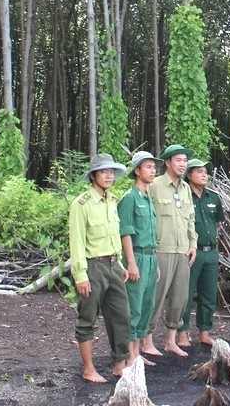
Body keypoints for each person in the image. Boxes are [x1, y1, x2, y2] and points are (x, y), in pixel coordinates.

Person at [69, 153, 132, 383]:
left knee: (121, 316)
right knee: (87, 318)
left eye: (111, 171)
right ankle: (88, 369)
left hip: (113, 266)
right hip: (92, 267)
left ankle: (119, 364)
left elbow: (114, 235)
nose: (109, 175)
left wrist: (121, 264)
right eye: (104, 171)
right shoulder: (82, 203)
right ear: (93, 175)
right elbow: (76, 242)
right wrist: (80, 275)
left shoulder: (112, 201)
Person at [149, 144, 197, 357]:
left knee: (180, 298)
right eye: (178, 160)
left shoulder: (186, 188)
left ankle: (170, 340)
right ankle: (146, 341)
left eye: (185, 161)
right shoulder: (155, 185)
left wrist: (193, 243)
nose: (183, 164)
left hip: (183, 251)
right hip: (161, 249)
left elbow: (190, 220)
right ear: (168, 163)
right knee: (156, 297)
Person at [117, 150, 162, 364]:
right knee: (133, 307)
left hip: (151, 258)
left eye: (154, 167)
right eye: (148, 167)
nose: (153, 171)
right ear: (137, 171)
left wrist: (156, 263)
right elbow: (125, 232)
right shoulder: (129, 198)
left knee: (146, 305)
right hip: (137, 256)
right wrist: (132, 263)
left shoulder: (148, 198)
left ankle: (137, 353)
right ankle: (130, 356)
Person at [178, 158, 224, 348]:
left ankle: (204, 332)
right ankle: (182, 333)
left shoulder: (213, 197)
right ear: (189, 175)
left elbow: (217, 223)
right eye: (199, 171)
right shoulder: (183, 195)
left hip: (211, 252)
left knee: (209, 294)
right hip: (191, 252)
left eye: (205, 171)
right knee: (186, 294)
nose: (204, 175)